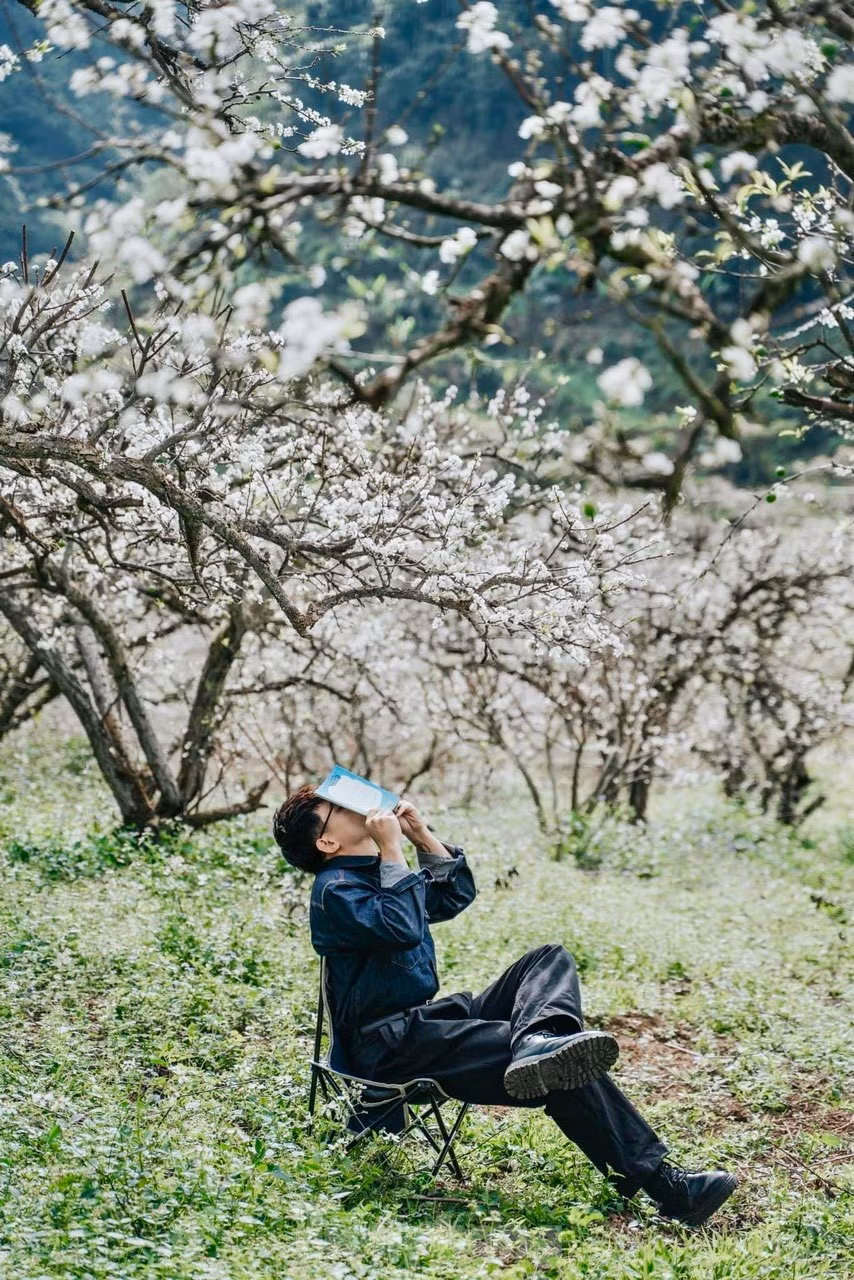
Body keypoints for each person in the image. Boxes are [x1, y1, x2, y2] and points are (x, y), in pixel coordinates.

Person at [273, 785, 739, 1227]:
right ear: (328, 840)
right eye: (336, 807)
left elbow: (451, 896)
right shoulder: (335, 889)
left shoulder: (369, 872)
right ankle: (669, 1189)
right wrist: (393, 851)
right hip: (388, 1046)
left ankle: (539, 1039)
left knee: (547, 960)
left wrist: (419, 836)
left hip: (424, 1024)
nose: (354, 805)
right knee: (562, 1067)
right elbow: (401, 926)